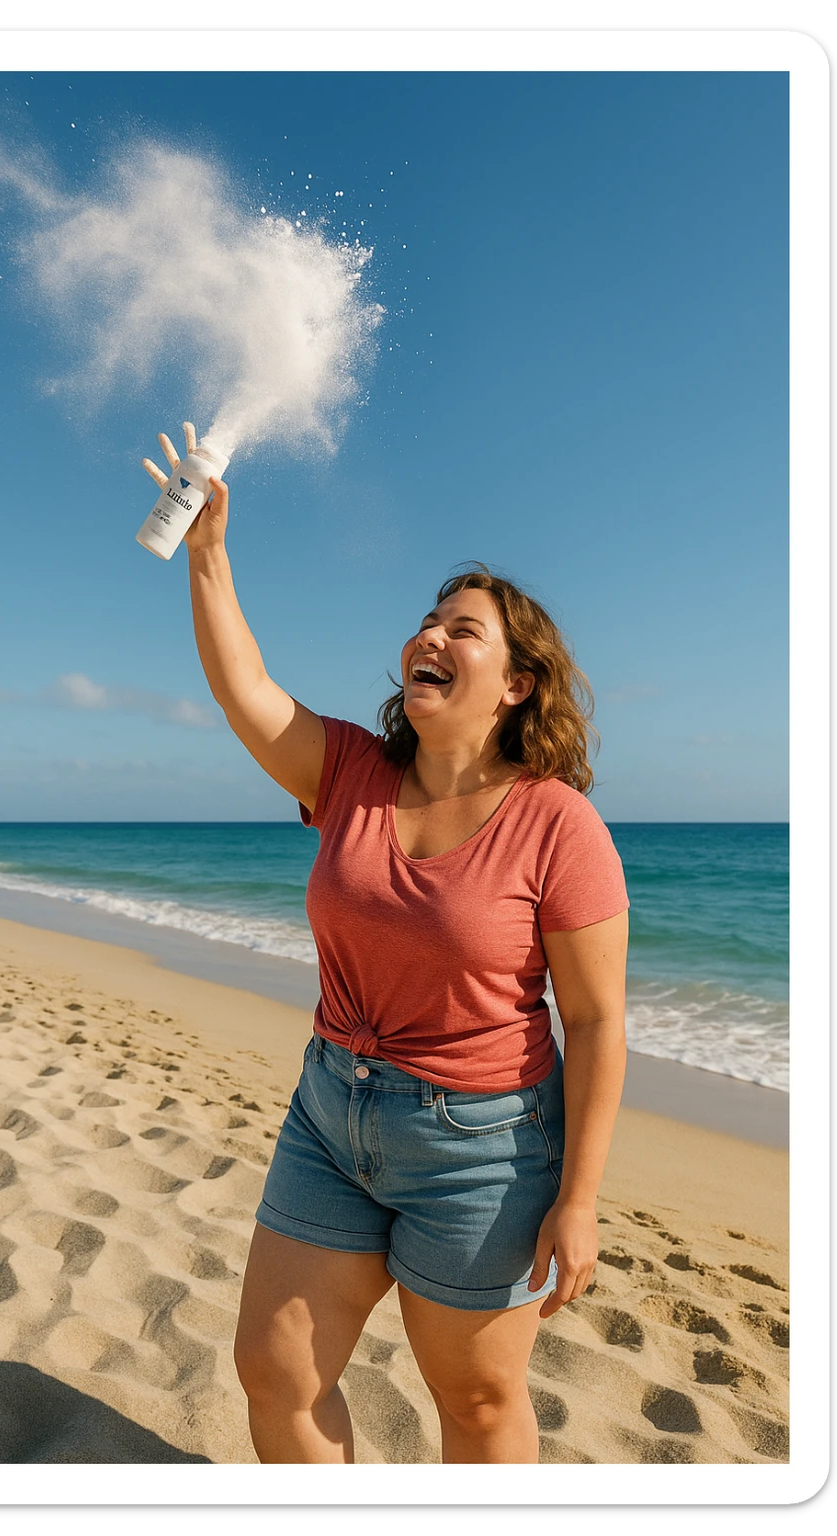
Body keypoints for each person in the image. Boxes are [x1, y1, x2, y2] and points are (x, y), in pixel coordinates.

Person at [143, 425, 630, 1465]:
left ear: (517, 686)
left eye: (463, 630)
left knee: (476, 1402)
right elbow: (245, 688)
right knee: (274, 1372)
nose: (431, 638)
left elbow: (591, 1021)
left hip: (482, 1148)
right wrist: (210, 553)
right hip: (330, 1113)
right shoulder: (351, 771)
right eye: (426, 623)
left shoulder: (558, 825)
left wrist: (577, 1203)